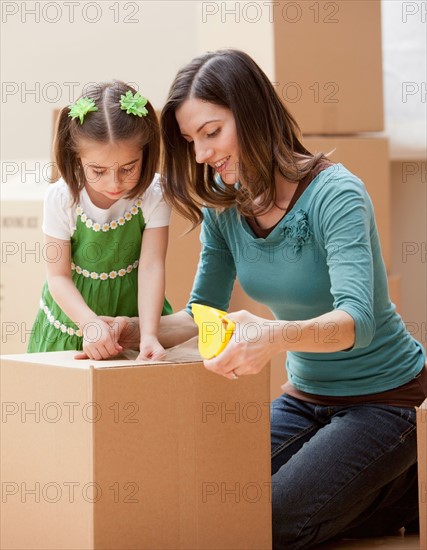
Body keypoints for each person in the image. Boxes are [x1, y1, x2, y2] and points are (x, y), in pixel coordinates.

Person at [90, 50, 426, 549]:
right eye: (190, 141)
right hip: (306, 398)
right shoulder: (226, 210)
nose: (201, 155)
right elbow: (205, 312)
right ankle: (374, 486)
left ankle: (400, 486)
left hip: (387, 400)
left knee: (268, 520)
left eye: (211, 132)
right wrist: (132, 329)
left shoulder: (336, 194)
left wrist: (270, 337)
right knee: (213, 498)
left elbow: (358, 321)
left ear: (251, 112)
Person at [28, 81, 172, 360]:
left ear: (146, 152)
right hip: (73, 318)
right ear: (77, 158)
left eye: (129, 168)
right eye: (98, 170)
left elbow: (152, 266)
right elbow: (57, 277)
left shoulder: (155, 194)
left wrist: (150, 334)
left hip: (132, 316)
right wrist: (89, 323)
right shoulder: (61, 198)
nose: (115, 183)